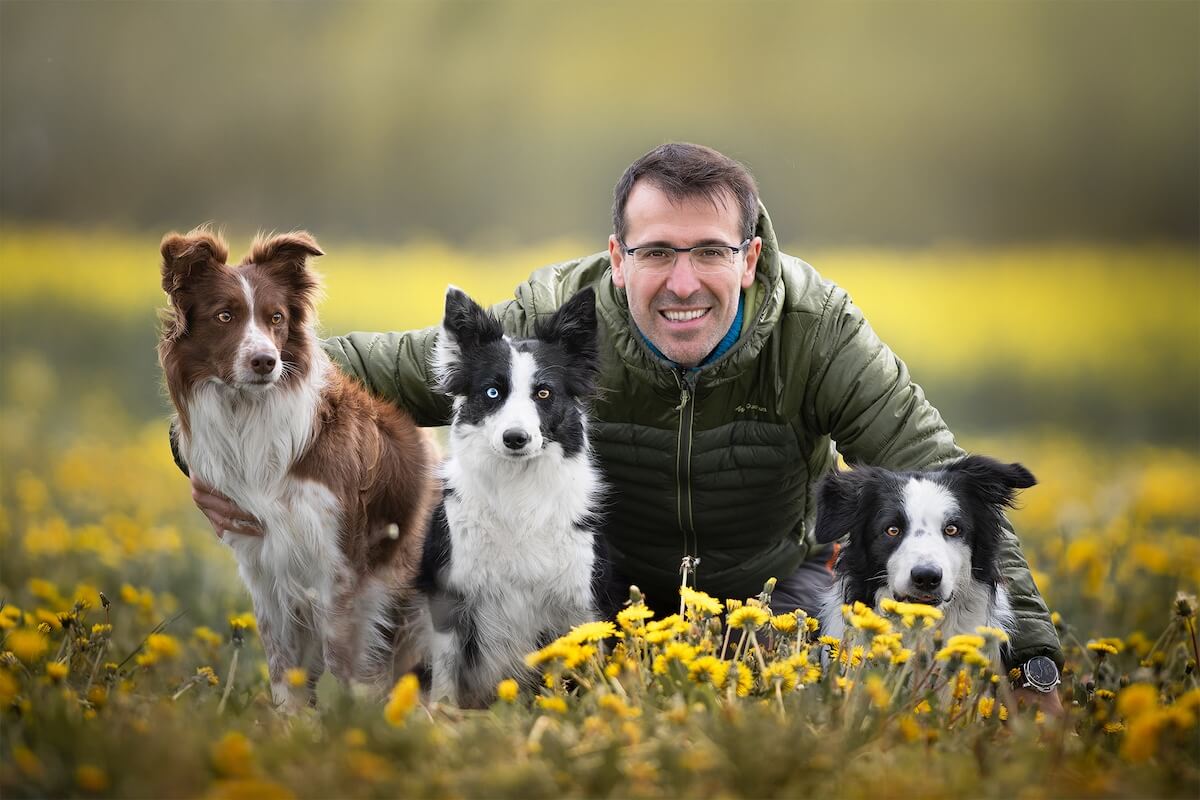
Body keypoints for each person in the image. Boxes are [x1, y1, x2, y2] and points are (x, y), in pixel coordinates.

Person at [184, 142, 1064, 709]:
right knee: (425, 679)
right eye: (656, 253)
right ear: (617, 258)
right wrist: (204, 455)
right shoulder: (547, 317)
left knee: (796, 706)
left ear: (749, 258)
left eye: (710, 252)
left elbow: (949, 484)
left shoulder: (817, 330)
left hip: (762, 596)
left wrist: (1032, 661)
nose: (683, 281)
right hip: (578, 595)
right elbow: (337, 369)